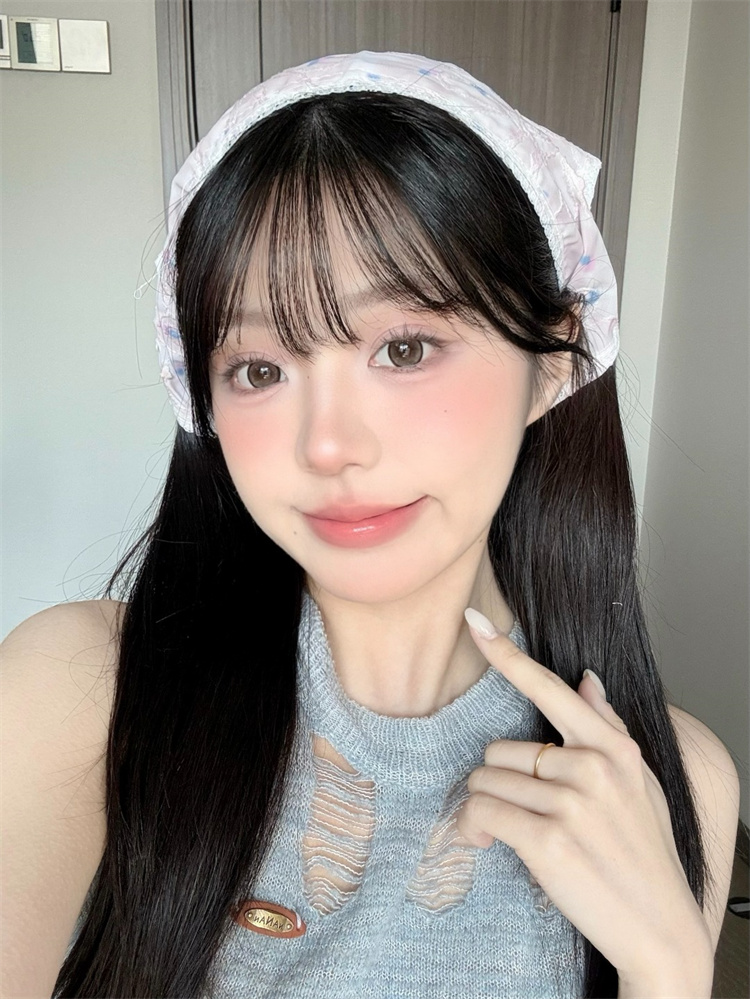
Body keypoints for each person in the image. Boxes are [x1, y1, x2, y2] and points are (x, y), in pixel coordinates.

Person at [1, 51, 739, 999]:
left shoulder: (672, 776)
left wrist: (667, 968)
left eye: (405, 347)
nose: (328, 445)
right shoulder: (84, 692)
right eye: (259, 370)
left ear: (555, 359)